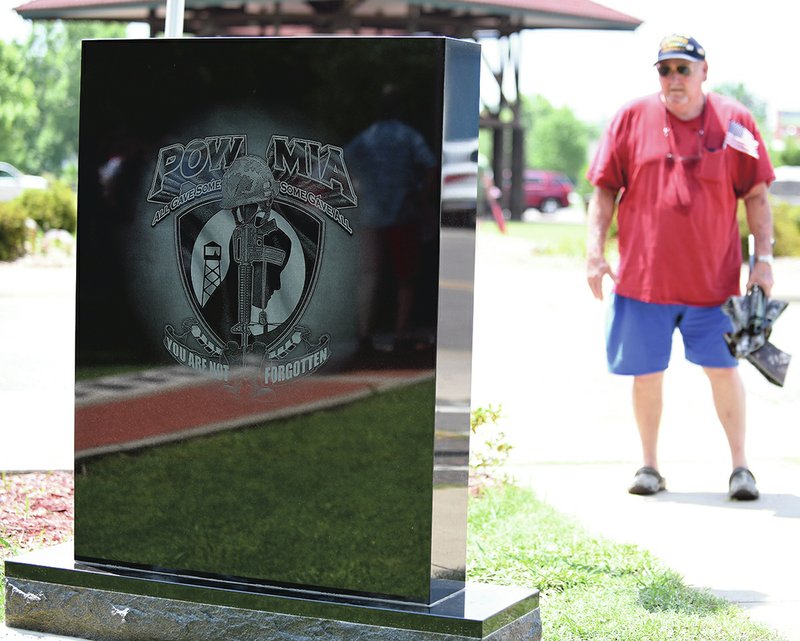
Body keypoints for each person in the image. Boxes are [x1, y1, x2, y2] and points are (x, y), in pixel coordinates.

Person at [585, 34, 775, 500]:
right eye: (665, 70)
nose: (673, 78)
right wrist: (594, 252)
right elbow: (604, 189)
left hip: (713, 284)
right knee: (645, 374)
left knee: (724, 371)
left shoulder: (736, 121)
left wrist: (763, 260)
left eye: (682, 69)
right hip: (643, 282)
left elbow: (756, 195)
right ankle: (649, 466)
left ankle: (740, 468)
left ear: (703, 71)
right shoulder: (631, 117)